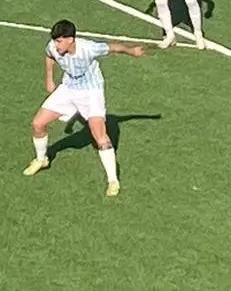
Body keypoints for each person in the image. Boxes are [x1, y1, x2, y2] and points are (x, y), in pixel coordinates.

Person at [23, 20, 146, 196]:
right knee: (37, 124)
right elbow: (48, 55)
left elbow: (113, 48)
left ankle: (112, 180)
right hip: (67, 89)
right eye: (55, 41)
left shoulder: (89, 48)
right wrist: (49, 78)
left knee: (100, 137)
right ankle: (42, 159)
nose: (56, 45)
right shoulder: (52, 47)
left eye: (59, 41)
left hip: (91, 93)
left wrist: (131, 51)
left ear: (70, 39)